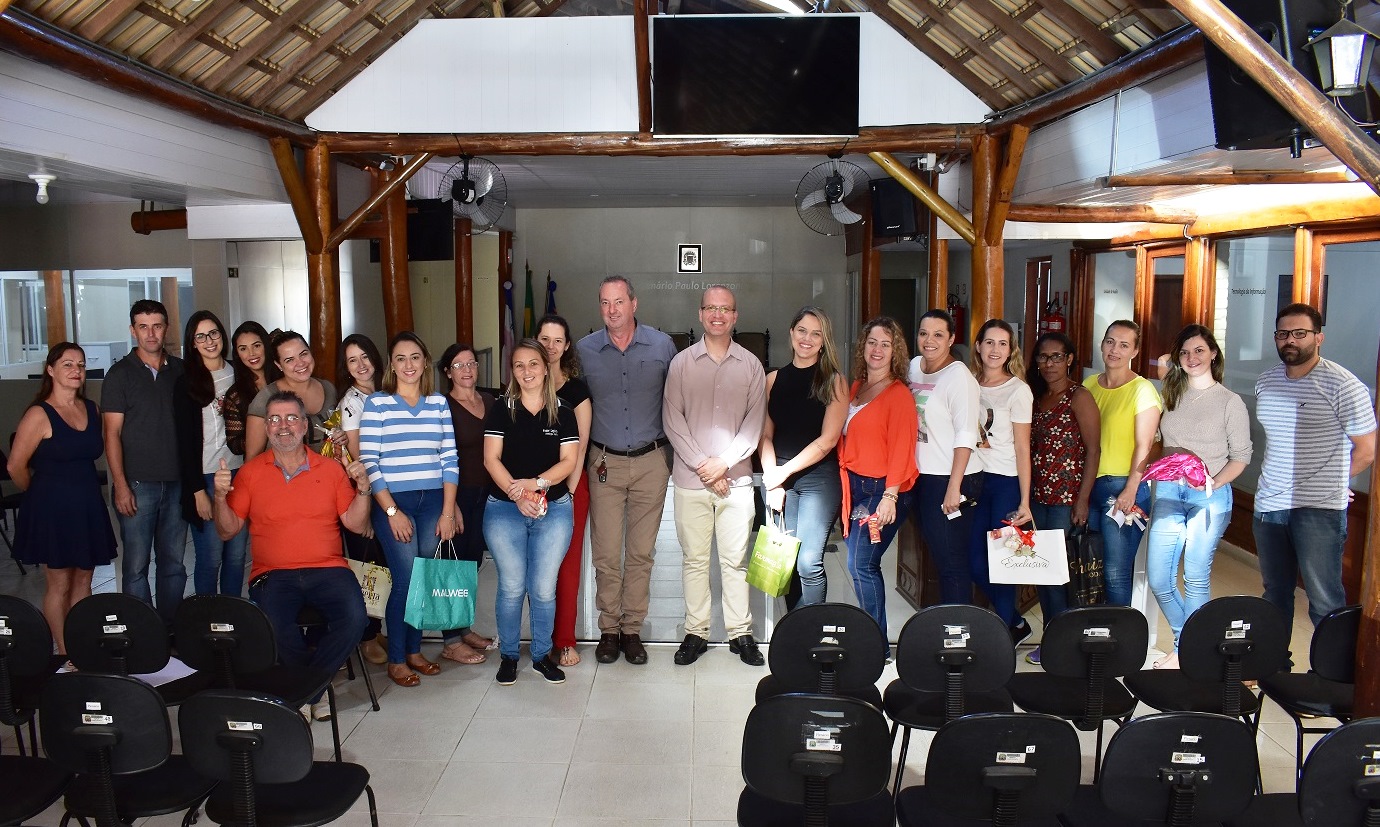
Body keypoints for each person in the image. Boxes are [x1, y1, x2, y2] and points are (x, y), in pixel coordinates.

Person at [213, 390, 371, 721]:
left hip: (328, 569)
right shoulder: (250, 473)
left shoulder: (330, 469)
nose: (283, 426)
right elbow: (227, 530)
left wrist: (363, 489)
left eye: (291, 418)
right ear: (266, 427)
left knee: (355, 618)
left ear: (304, 425)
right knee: (272, 624)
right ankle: (315, 689)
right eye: (274, 419)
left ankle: (304, 691)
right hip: (272, 574)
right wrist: (219, 497)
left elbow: (356, 524)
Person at [575, 275, 678, 665]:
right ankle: (609, 630)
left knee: (640, 552)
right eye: (605, 302)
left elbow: (678, 400)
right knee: (605, 553)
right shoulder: (584, 350)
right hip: (604, 462)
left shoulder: (662, 346)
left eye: (619, 302)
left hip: (652, 462)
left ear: (634, 304)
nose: (612, 310)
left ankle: (632, 629)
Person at [664, 286, 768, 667]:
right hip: (692, 482)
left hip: (735, 483)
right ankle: (697, 631)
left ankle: (741, 633)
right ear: (700, 313)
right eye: (711, 307)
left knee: (735, 561)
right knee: (694, 560)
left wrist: (722, 464)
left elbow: (754, 426)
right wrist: (705, 467)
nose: (718, 314)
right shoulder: (681, 364)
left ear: (735, 316)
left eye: (725, 309)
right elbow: (672, 420)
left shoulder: (752, 366)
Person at [1254, 302, 1376, 627]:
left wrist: (1335, 481)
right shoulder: (1266, 382)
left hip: (1318, 509)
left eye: (1300, 333)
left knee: (1324, 601)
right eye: (1283, 334)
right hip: (1270, 505)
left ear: (1318, 338)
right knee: (1275, 595)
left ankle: (1328, 662)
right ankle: (1275, 657)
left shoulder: (1343, 385)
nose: (1290, 340)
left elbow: (1367, 450)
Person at [358, 332, 460, 687]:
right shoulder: (378, 404)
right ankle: (397, 659)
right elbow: (369, 462)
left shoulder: (437, 403)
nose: (408, 365)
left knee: (423, 578)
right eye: (400, 358)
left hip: (433, 502)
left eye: (415, 357)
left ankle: (415, 651)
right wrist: (390, 512)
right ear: (391, 365)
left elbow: (450, 458)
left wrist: (448, 511)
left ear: (425, 361)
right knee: (404, 579)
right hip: (394, 502)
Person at [1148, 324, 1252, 668]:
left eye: (1199, 350)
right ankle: (1191, 643)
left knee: (1194, 576)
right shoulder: (1170, 393)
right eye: (1185, 352)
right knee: (1159, 577)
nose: (1191, 358)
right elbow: (1160, 442)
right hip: (1168, 491)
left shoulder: (1230, 402)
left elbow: (1242, 456)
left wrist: (1215, 482)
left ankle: (1185, 652)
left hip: (1209, 496)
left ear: (1213, 354)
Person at [8, 343, 118, 656]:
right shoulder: (39, 413)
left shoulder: (92, 409)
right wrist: (39, 493)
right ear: (51, 370)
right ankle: (65, 650)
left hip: (87, 505)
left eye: (80, 365)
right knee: (59, 583)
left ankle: (82, 644)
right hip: (51, 509)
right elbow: (16, 466)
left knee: (84, 580)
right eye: (67, 364)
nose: (76, 370)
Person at [483, 339, 579, 685]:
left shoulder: (563, 411)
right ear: (512, 371)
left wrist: (536, 485)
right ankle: (509, 655)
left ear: (545, 368)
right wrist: (519, 493)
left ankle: (540, 655)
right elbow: (491, 459)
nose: (527, 372)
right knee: (511, 586)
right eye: (519, 365)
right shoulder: (501, 408)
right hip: (504, 509)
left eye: (533, 364)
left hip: (553, 510)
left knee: (542, 589)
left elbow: (568, 462)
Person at [102, 299, 187, 626]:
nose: (151, 334)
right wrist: (121, 486)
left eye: (157, 326)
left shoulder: (180, 370)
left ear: (166, 328)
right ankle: (144, 633)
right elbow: (111, 434)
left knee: (173, 564)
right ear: (132, 330)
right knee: (136, 566)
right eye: (143, 327)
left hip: (177, 483)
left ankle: (171, 630)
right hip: (137, 484)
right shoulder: (120, 374)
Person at [839, 318, 918, 655]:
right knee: (861, 563)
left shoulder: (899, 394)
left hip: (881, 490)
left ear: (895, 351)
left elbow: (903, 448)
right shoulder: (856, 387)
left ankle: (876, 645)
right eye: (872, 342)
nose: (878, 349)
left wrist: (890, 496)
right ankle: (874, 639)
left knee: (861, 564)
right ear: (863, 346)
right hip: (854, 487)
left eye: (886, 344)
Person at [759, 306, 848, 609]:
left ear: (824, 341)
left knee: (808, 562)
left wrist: (781, 474)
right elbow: (765, 435)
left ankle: (811, 628)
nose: (807, 339)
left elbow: (827, 441)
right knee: (785, 562)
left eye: (816, 334)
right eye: (802, 331)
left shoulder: (834, 381)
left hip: (818, 480)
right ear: (791, 333)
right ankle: (796, 627)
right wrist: (773, 482)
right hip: (778, 478)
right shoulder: (773, 380)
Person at [1025, 332, 1100, 666]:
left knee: (1059, 575)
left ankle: (1063, 644)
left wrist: (1082, 501)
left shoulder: (1078, 396)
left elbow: (1093, 450)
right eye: (1043, 357)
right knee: (1041, 573)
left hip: (1065, 499)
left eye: (1057, 356)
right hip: (1037, 498)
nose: (1049, 363)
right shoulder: (1035, 396)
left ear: (1069, 359)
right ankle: (1052, 639)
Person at [174, 310, 255, 597]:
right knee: (210, 558)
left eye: (213, 333)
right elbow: (184, 442)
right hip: (207, 477)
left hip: (241, 473)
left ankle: (232, 614)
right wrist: (196, 490)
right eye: (201, 337)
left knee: (236, 556)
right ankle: (207, 618)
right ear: (192, 343)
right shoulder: (186, 383)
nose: (209, 341)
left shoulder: (240, 373)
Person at [1083, 319, 1162, 607]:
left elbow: (1145, 445)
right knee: (1089, 568)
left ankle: (1120, 631)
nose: (1114, 350)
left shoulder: (1142, 390)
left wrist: (1130, 489)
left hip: (1122, 487)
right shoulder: (1089, 385)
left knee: (1115, 573)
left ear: (1135, 351)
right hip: (1089, 487)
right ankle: (1094, 627)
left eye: (1124, 345)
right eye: (1110, 342)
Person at [966, 319, 1034, 642]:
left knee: (1004, 562)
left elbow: (1023, 448)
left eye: (1002, 344)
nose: (995, 349)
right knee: (975, 563)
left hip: (1005, 483)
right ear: (978, 346)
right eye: (989, 342)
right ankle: (1016, 622)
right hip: (973, 481)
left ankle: (1006, 634)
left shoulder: (1018, 390)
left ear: (1011, 351)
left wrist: (1025, 501)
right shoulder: (968, 383)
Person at [909, 309, 984, 606]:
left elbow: (966, 434)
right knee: (937, 554)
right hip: (921, 476)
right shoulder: (913, 367)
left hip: (951, 478)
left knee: (952, 561)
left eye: (938, 335)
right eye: (924, 333)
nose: (929, 340)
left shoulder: (959, 377)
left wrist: (954, 487)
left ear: (951, 339)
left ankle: (959, 627)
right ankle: (942, 618)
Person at [435, 342, 497, 664]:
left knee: (471, 562)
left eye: (471, 363)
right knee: (452, 565)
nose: (467, 370)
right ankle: (450, 640)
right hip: (457, 496)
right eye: (459, 365)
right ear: (448, 372)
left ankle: (463, 627)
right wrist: (451, 505)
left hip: (487, 493)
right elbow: (436, 455)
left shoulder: (489, 400)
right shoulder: (441, 406)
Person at [538, 315, 593, 667]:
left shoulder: (577, 392)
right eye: (544, 339)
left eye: (557, 340)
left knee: (567, 566)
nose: (550, 346)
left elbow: (582, 445)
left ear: (567, 345)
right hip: (530, 489)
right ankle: (541, 640)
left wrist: (569, 492)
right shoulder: (523, 386)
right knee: (537, 569)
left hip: (569, 487)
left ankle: (565, 640)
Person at [335, 332, 388, 665]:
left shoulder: (388, 390)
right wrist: (367, 508)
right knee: (368, 566)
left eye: (365, 356)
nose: (361, 365)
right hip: (366, 492)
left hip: (391, 488)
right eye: (352, 360)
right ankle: (367, 637)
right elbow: (359, 458)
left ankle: (376, 629)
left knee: (383, 565)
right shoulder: (351, 403)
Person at [244, 330, 338, 459]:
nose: (300, 363)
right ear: (279, 365)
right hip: (281, 471)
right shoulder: (265, 398)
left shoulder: (328, 388)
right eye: (289, 360)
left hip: (326, 469)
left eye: (303, 354)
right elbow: (252, 458)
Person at [232, 320, 279, 392]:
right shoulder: (235, 393)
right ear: (237, 354)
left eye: (256, 346)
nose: (251, 353)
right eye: (243, 349)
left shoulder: (287, 376)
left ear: (266, 345)